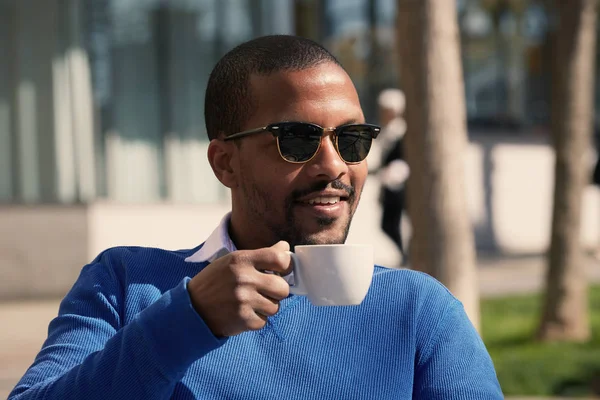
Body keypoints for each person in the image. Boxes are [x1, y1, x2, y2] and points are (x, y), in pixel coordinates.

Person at [9, 35, 502, 400]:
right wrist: (186, 319)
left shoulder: (418, 310)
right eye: (297, 139)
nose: (334, 166)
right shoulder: (126, 285)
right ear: (225, 162)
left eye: (352, 141)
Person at [375, 89, 410, 263]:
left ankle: (405, 256)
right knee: (388, 225)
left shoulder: (401, 132)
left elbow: (401, 162)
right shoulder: (388, 131)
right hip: (389, 186)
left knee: (390, 224)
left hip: (398, 187)